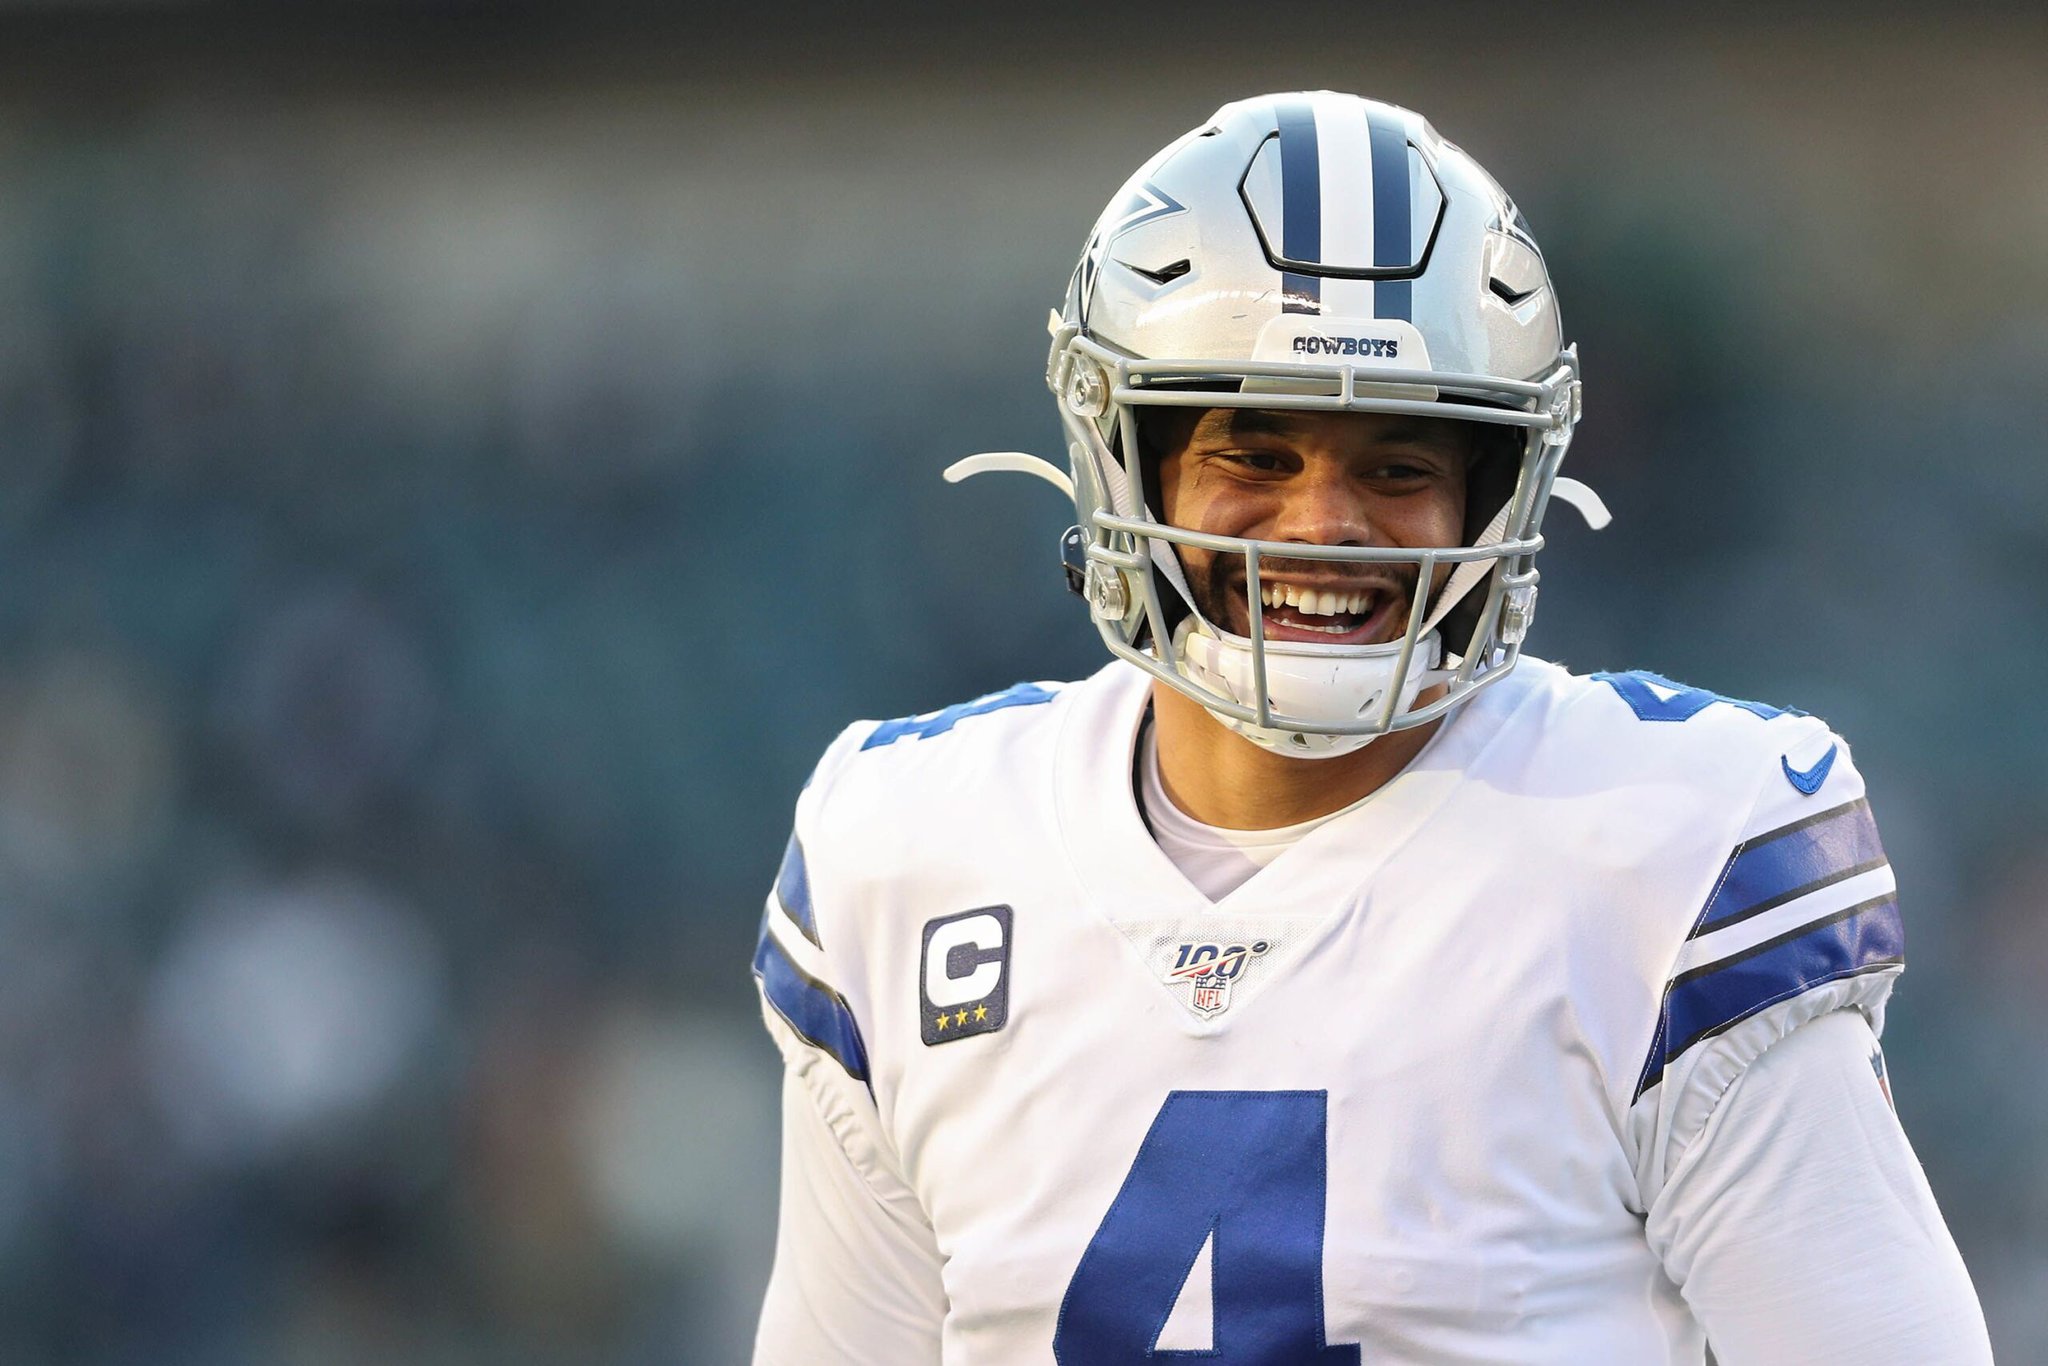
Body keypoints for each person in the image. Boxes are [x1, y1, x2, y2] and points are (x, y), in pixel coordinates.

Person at [749, 91, 1990, 1364]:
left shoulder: (1671, 847)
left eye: (1397, 468)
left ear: (1492, 497)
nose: (1325, 524)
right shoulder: (905, 850)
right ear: (1129, 460)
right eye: (1257, 453)